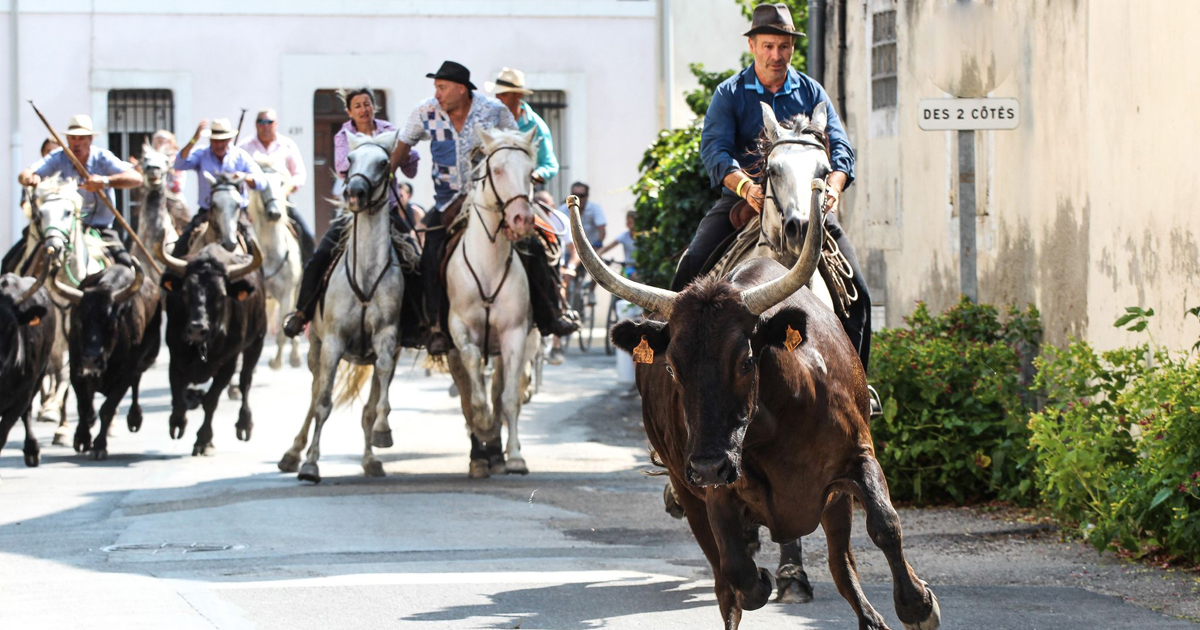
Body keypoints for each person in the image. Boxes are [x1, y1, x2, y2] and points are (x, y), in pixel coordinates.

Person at [679, 3, 875, 405]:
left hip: (811, 204)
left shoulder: (811, 91)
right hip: (747, 203)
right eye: (768, 45)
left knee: (859, 293)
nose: (776, 55)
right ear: (752, 46)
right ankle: (673, 378)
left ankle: (858, 388)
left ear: (791, 49)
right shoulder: (729, 94)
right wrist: (746, 187)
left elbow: (841, 149)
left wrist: (834, 186)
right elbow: (714, 152)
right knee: (689, 271)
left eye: (784, 46)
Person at [386, 60, 579, 355]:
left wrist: (522, 187)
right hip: (448, 201)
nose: (437, 94)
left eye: (442, 87)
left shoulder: (494, 111)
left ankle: (551, 314)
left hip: (495, 201)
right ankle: (435, 327)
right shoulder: (424, 112)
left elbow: (518, 148)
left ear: (461, 89)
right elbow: (403, 145)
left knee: (536, 245)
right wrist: (387, 175)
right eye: (436, 88)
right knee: (430, 254)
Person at [282, 88, 422, 340]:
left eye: (367, 104)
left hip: (387, 209)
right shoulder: (343, 135)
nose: (363, 109)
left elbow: (410, 165)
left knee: (414, 259)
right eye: (357, 105)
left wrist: (405, 153)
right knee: (320, 256)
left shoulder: (389, 130)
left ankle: (419, 323)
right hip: (354, 212)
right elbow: (344, 167)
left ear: (374, 107)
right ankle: (302, 314)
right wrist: (377, 155)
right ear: (350, 111)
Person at [16, 114, 142, 267]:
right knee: (13, 260)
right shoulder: (58, 157)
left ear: (90, 139)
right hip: (60, 228)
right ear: (67, 140)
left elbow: (136, 178)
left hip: (98, 229)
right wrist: (30, 178)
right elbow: (25, 174)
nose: (77, 143)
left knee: (125, 267)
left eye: (81, 138)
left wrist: (104, 181)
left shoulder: (102, 157)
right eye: (73, 138)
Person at [172, 117, 267, 254]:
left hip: (237, 213)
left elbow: (261, 182)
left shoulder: (240, 156)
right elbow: (179, 164)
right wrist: (194, 139)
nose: (219, 145)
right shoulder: (202, 154)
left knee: (254, 249)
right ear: (210, 140)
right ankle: (171, 274)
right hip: (207, 212)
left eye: (222, 140)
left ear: (229, 140)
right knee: (180, 247)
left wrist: (244, 176)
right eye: (215, 141)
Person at [240, 107, 315, 261]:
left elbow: (299, 174)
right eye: (261, 121)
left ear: (276, 124)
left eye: (269, 122)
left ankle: (307, 276)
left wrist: (286, 189)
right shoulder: (245, 147)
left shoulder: (287, 145)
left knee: (307, 236)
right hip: (251, 204)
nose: (265, 125)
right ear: (256, 124)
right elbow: (234, 173)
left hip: (280, 201)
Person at [486, 67, 559, 185]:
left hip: (520, 190)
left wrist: (534, 175)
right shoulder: (487, 120)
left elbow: (549, 165)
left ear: (518, 95)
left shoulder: (536, 126)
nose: (498, 98)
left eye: (503, 94)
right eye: (497, 93)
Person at [557, 181, 605, 247]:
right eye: (575, 196)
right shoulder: (563, 209)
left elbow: (601, 229)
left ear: (587, 196)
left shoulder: (595, 208)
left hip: (591, 249)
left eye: (581, 196)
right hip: (570, 250)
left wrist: (598, 244)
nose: (578, 198)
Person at [597, 210, 638, 279]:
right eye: (628, 221)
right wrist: (599, 253)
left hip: (640, 268)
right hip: (628, 267)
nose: (629, 224)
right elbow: (609, 246)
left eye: (631, 222)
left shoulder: (643, 237)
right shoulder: (624, 236)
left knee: (635, 277)